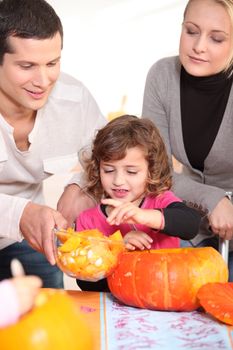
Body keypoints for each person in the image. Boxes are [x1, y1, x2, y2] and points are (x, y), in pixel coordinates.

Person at [0, 0, 106, 288]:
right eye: (26, 66)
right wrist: (19, 213)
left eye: (52, 63)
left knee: (52, 322)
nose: (43, 80)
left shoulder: (74, 99)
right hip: (23, 220)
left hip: (24, 241)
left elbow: (112, 154)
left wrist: (81, 185)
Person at [142, 0, 233, 280]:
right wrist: (213, 199)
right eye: (191, 31)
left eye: (216, 38)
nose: (199, 46)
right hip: (190, 222)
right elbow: (156, 173)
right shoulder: (162, 76)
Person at [75, 115, 201, 291]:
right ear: (98, 169)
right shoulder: (87, 221)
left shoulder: (160, 200)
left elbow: (191, 224)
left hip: (165, 297)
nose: (118, 180)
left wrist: (144, 217)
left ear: (151, 171)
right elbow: (86, 283)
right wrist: (117, 251)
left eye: (131, 172)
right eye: (109, 170)